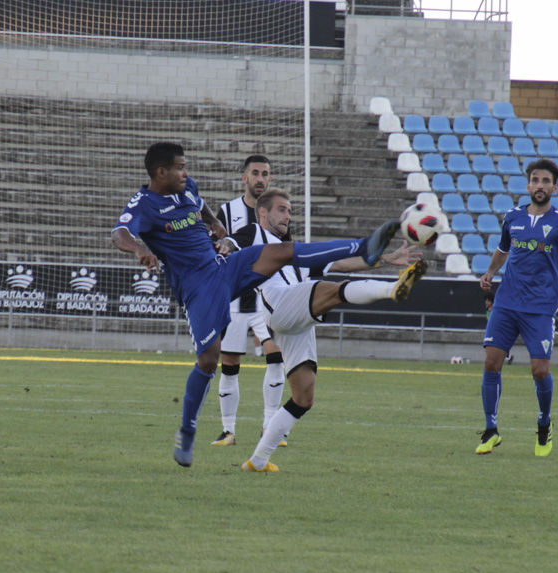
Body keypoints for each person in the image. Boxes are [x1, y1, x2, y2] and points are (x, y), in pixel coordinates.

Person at [111, 142, 400, 468]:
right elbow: (119, 232)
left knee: (282, 251)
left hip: (223, 269)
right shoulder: (143, 204)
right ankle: (187, 429)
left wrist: (214, 223)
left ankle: (365, 246)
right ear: (161, 173)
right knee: (210, 359)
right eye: (180, 168)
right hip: (197, 289)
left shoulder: (186, 188)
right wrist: (139, 251)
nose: (186, 173)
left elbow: (200, 203)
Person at [223, 188, 426, 472]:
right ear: (263, 212)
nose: (287, 215)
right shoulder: (256, 233)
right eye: (282, 209)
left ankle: (257, 461)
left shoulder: (295, 251)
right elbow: (230, 242)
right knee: (334, 291)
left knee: (303, 398)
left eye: (290, 211)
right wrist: (223, 246)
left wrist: (385, 260)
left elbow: (342, 263)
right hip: (279, 304)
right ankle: (392, 289)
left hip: (295, 319)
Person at [476, 158, 558, 457]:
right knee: (491, 363)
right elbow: (503, 250)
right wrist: (490, 272)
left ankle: (544, 423)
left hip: (540, 306)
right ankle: (490, 430)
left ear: (554, 187)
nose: (540, 186)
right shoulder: (512, 217)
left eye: (545, 181)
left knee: (539, 370)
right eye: (535, 180)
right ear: (528, 185)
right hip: (507, 301)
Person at [212, 155, 285, 447]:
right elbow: (216, 248)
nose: (259, 178)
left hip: (267, 296)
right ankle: (228, 431)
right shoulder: (227, 211)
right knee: (229, 362)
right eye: (254, 173)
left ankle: (270, 427)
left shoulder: (277, 211)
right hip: (235, 298)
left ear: (270, 179)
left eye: (265, 174)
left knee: (276, 356)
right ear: (244, 178)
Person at [483, 291, 512, 364]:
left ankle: (508, 357)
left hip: (497, 329)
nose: (486, 302)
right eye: (485, 300)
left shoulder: (496, 309)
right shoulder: (487, 309)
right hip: (491, 329)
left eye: (488, 301)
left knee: (500, 344)